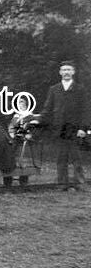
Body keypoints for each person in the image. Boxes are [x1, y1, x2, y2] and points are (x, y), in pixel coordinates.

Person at [40, 61, 90, 190]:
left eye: (69, 69)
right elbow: (47, 108)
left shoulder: (80, 89)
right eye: (64, 70)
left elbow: (85, 110)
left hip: (75, 129)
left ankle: (80, 183)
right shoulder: (54, 89)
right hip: (59, 129)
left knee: (76, 157)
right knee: (61, 158)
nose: (66, 72)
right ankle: (62, 184)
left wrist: (83, 128)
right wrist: (38, 121)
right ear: (60, 72)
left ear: (73, 72)